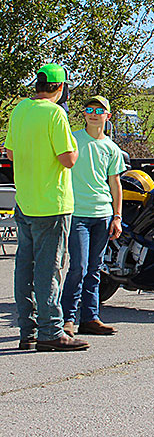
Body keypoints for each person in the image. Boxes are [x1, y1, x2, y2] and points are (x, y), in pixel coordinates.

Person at [4, 63, 89, 351]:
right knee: (49, 270)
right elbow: (68, 158)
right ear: (61, 88)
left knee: (24, 269)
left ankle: (27, 331)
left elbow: (11, 153)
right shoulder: (55, 114)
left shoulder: (20, 110)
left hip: (25, 201)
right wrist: (74, 147)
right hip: (52, 203)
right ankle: (51, 330)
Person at [61, 96, 127, 337]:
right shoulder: (73, 139)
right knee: (77, 267)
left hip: (102, 215)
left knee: (95, 268)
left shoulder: (111, 148)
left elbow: (115, 183)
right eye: (89, 109)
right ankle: (67, 318)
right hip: (76, 214)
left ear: (107, 116)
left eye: (99, 110)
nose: (93, 113)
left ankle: (90, 318)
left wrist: (117, 216)